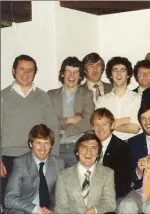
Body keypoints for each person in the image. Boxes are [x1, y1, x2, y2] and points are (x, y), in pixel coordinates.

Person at [1, 55, 60, 207]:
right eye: (22, 69)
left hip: (38, 156)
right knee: (11, 203)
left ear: (34, 73)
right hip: (8, 158)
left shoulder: (43, 97)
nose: (26, 74)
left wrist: (53, 158)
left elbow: (53, 128)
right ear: (14, 71)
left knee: (39, 203)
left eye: (30, 70)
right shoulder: (3, 96)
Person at [4, 124, 66, 214]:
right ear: (30, 144)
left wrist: (50, 211)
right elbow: (9, 199)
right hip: (24, 210)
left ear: (51, 146)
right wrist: (36, 209)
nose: (42, 149)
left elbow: (61, 196)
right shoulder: (20, 163)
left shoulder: (59, 163)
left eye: (46, 143)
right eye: (38, 143)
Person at [47, 56, 94, 166]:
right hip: (56, 148)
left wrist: (65, 132)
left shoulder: (87, 94)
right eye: (68, 71)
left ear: (80, 76)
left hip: (79, 148)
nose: (71, 76)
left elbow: (88, 122)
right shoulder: (50, 95)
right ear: (62, 74)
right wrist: (69, 120)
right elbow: (49, 121)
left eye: (76, 72)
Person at [55, 133, 116, 214]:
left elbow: (110, 203)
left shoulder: (107, 173)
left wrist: (95, 210)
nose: (88, 152)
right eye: (84, 147)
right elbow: (61, 207)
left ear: (98, 154)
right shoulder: (63, 176)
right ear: (77, 152)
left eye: (93, 148)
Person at [95, 56, 142, 141]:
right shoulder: (101, 101)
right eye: (115, 70)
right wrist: (126, 120)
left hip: (133, 144)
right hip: (109, 144)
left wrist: (108, 126)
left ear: (128, 75)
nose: (119, 74)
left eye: (123, 70)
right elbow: (99, 127)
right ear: (111, 75)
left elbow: (135, 128)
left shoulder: (138, 98)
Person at [90, 108, 131, 202]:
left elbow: (122, 183)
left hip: (112, 196)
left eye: (104, 124)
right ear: (92, 127)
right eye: (96, 125)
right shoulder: (87, 146)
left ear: (112, 125)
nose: (100, 129)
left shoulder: (122, 148)